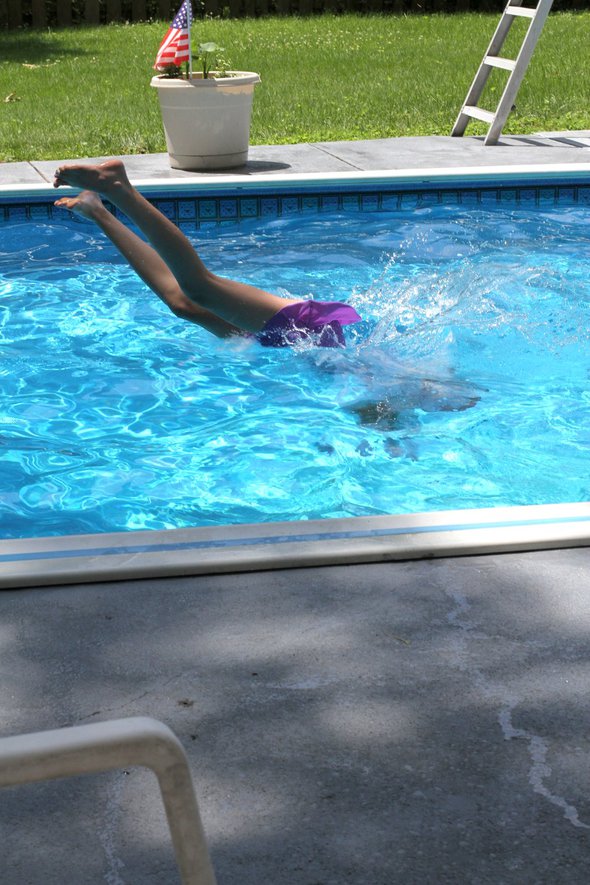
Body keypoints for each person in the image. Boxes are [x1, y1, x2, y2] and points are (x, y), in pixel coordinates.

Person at [53, 160, 361, 347]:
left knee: (183, 304)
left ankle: (98, 210)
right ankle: (118, 188)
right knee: (201, 289)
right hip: (307, 332)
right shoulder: (386, 389)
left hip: (280, 346)